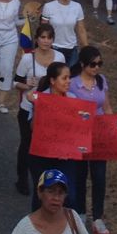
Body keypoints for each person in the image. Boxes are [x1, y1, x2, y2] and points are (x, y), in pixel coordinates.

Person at [14, 23, 65, 195]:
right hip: (28, 109)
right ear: (36, 39)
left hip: (51, 110)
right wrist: (27, 84)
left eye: (49, 37)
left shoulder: (59, 57)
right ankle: (22, 179)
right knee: (27, 143)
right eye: (42, 37)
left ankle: (45, 180)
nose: (46, 41)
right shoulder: (28, 59)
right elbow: (16, 82)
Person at [69, 46, 112, 234]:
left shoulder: (102, 81)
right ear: (83, 64)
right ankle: (80, 212)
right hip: (79, 134)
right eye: (93, 64)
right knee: (79, 174)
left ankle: (97, 216)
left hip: (99, 134)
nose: (96, 68)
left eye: (99, 64)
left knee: (99, 176)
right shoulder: (72, 84)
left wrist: (112, 128)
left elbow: (107, 106)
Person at [28, 62, 79, 210]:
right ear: (52, 80)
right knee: (41, 197)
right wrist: (38, 107)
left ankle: (65, 229)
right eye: (64, 78)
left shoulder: (73, 99)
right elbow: (33, 128)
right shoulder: (41, 98)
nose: (69, 81)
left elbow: (77, 130)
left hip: (65, 157)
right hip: (42, 156)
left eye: (69, 77)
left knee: (69, 197)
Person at [41, 0, 88, 69]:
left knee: (71, 76)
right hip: (54, 47)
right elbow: (43, 29)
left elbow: (81, 29)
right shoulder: (49, 7)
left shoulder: (77, 7)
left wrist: (86, 49)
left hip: (72, 48)